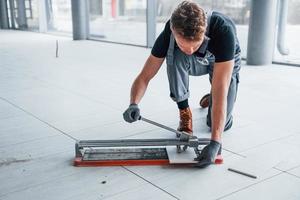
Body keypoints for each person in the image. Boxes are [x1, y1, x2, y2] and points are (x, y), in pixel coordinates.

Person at [123, 0, 241, 168]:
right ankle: (185, 111)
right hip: (196, 63)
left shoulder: (223, 32)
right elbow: (144, 76)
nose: (191, 51)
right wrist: (133, 103)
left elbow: (221, 87)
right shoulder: (169, 32)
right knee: (176, 55)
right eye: (186, 46)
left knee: (218, 124)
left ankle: (212, 97)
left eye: (195, 45)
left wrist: (215, 142)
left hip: (224, 63)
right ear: (173, 31)